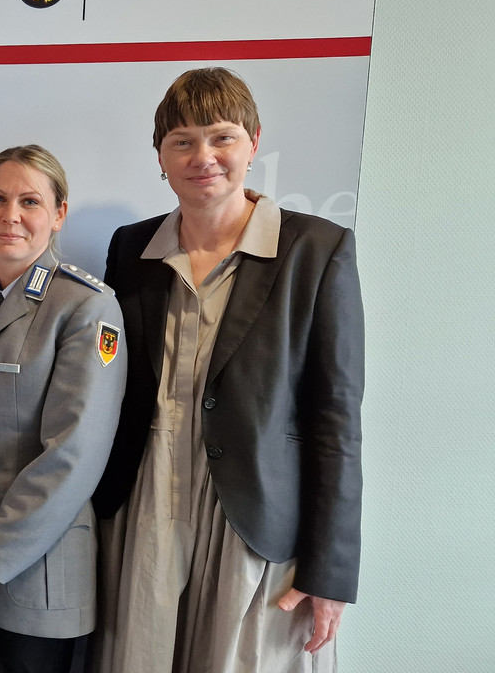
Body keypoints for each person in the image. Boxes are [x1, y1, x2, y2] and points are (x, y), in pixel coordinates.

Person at [91, 67, 364, 673]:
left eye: (221, 137)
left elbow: (335, 419)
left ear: (254, 141)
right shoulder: (129, 249)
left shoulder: (316, 251)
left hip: (253, 519)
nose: (202, 156)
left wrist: (331, 569)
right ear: (160, 155)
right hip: (143, 506)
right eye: (182, 141)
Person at [0, 145, 127, 672]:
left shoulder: (87, 307)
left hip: (37, 572)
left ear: (59, 214)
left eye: (29, 201)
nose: (9, 214)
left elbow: (74, 454)